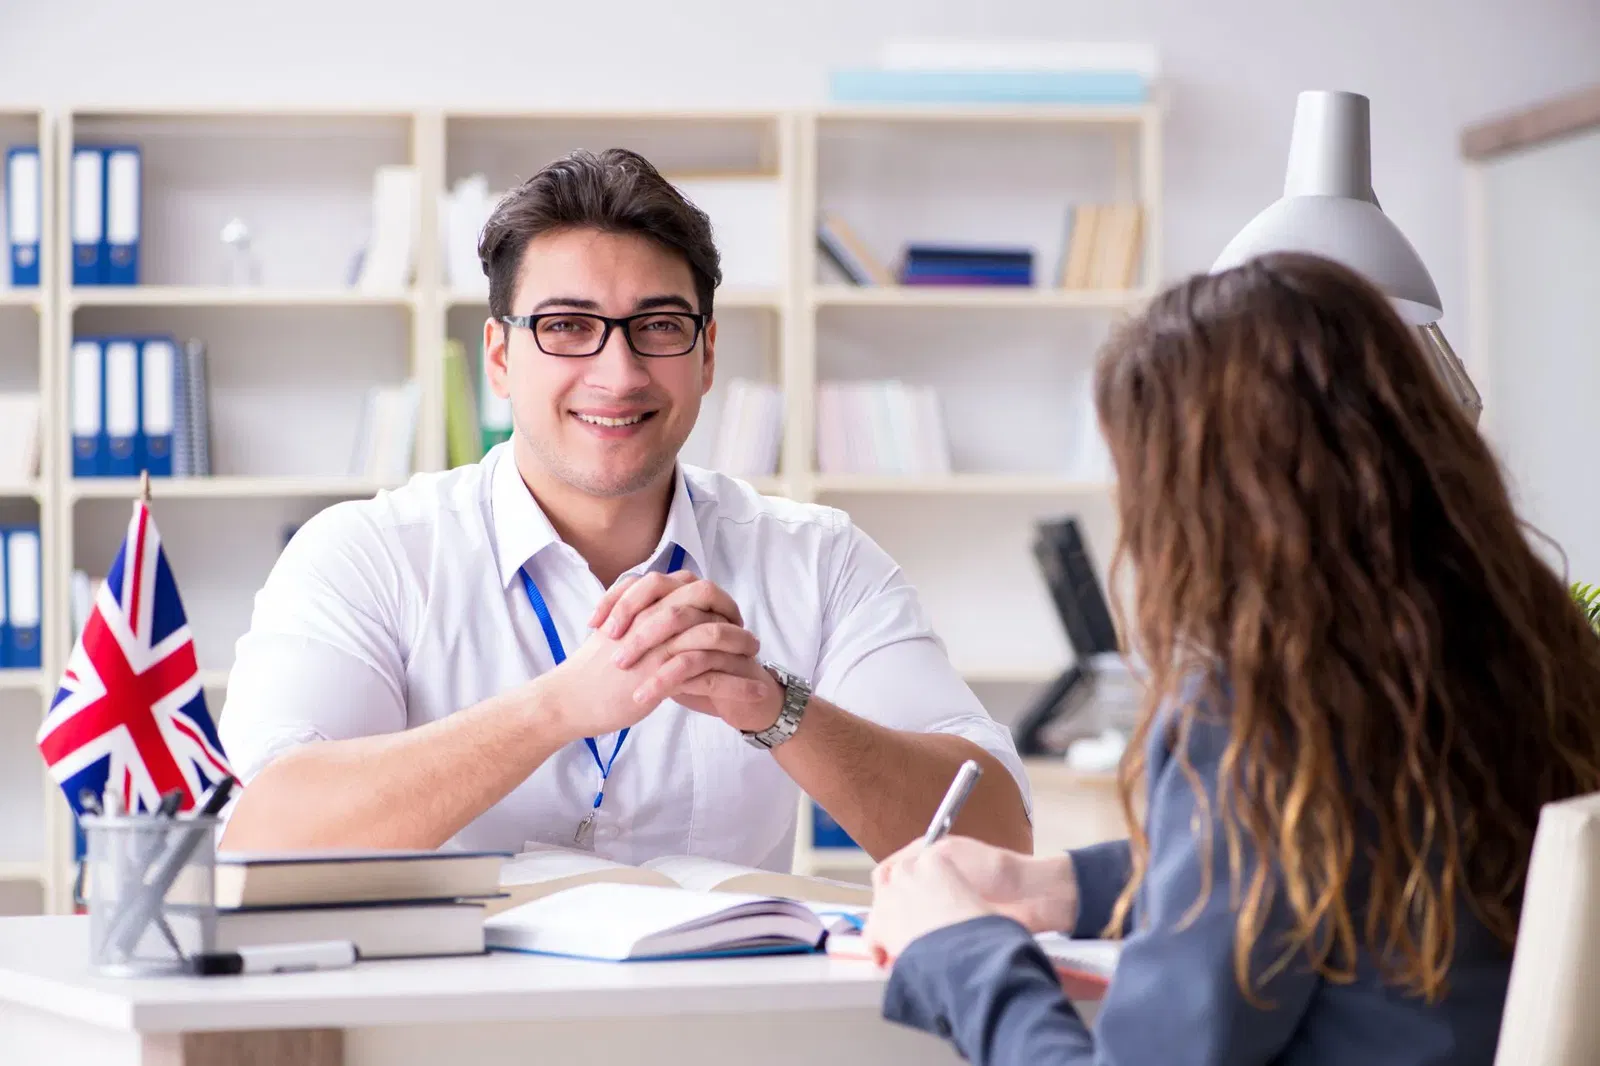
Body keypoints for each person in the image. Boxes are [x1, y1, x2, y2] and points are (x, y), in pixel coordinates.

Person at [860, 252, 1600, 1065]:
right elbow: (1316, 881)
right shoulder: (1533, 655)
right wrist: (1069, 885)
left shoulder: (1262, 716)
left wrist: (957, 949)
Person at [216, 148, 1032, 869]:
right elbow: (266, 838)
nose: (620, 372)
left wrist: (778, 709)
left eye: (659, 327)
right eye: (568, 326)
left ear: (708, 355)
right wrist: (557, 708)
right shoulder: (367, 555)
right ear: (500, 358)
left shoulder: (816, 558)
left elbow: (995, 839)